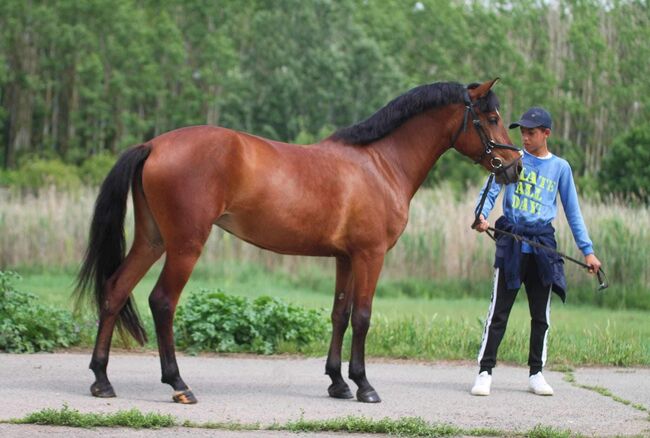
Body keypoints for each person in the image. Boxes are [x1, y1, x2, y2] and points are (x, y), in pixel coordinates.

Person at [470, 107, 601, 396]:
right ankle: (485, 371)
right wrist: (482, 216)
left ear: (546, 134)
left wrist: (588, 251)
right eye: (523, 133)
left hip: (542, 246)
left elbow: (573, 212)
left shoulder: (560, 168)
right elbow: (490, 191)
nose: (525, 138)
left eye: (531, 133)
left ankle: (536, 373)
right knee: (498, 313)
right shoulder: (512, 158)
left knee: (540, 315)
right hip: (512, 243)